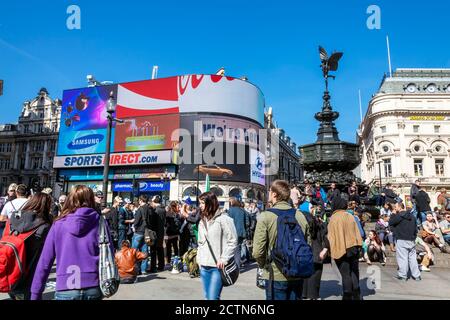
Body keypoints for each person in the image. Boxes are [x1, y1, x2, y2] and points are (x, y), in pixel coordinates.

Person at [31, 185, 113, 300]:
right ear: (91, 200)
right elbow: (109, 253)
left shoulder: (58, 224)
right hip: (93, 285)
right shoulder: (100, 222)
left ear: (70, 199)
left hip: (66, 286)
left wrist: (36, 293)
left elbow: (45, 261)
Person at [253, 180, 311, 300]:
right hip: (297, 273)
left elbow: (258, 251)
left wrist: (263, 265)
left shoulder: (265, 216)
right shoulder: (300, 216)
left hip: (275, 274)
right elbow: (307, 244)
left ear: (274, 194)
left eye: (269, 191)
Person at [7, 192, 53, 300]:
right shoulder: (45, 225)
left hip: (11, 270)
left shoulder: (14, 218)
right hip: (30, 275)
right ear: (46, 205)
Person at [197, 191, 238, 300]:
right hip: (204, 265)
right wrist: (199, 259)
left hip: (217, 266)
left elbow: (233, 241)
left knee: (212, 297)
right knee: (207, 297)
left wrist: (224, 258)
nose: (200, 206)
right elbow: (201, 243)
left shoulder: (224, 219)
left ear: (210, 203)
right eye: (199, 203)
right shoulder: (202, 221)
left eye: (202, 203)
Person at [327, 196, 363, 300]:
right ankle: (357, 294)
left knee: (345, 273)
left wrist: (330, 250)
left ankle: (347, 295)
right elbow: (358, 232)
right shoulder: (350, 216)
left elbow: (331, 236)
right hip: (354, 247)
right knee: (354, 271)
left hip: (341, 248)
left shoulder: (334, 218)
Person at [389, 201, 421, 281]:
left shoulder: (398, 215)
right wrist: (414, 237)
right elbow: (415, 229)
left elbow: (391, 222)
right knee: (412, 258)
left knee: (402, 258)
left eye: (396, 207)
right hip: (411, 239)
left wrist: (393, 214)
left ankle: (403, 275)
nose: (395, 208)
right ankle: (416, 276)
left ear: (400, 207)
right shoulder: (412, 216)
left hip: (401, 239)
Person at [302, 206, 330, 300]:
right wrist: (325, 249)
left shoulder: (303, 228)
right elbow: (325, 238)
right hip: (317, 254)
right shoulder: (319, 226)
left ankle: (305, 295)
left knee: (305, 276)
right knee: (315, 276)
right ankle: (313, 295)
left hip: (306, 255)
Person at [227, 197, 250, 269]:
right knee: (239, 248)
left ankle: (234, 265)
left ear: (232, 203)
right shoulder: (242, 211)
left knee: (233, 249)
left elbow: (228, 222)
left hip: (233, 232)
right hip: (241, 232)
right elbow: (247, 223)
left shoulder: (230, 211)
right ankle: (238, 265)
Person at [130, 195, 150, 274]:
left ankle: (134, 269)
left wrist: (134, 226)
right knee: (144, 251)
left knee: (133, 251)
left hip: (138, 232)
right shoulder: (149, 209)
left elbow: (136, 221)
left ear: (141, 200)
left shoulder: (140, 209)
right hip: (146, 232)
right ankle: (143, 269)